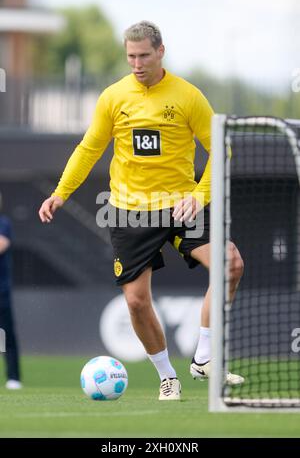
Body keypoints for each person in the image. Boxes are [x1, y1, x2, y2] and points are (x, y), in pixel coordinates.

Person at [39, 21, 244, 400]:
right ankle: (168, 376)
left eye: (144, 55)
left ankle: (204, 356)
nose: (136, 63)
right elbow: (88, 149)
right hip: (130, 212)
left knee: (230, 263)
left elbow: (222, 149)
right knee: (135, 300)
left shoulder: (188, 96)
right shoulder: (114, 97)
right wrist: (61, 193)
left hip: (183, 204)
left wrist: (199, 196)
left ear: (161, 51)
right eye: (131, 56)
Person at [0, 192, 22, 390]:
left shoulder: (3, 223)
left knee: (6, 335)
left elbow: (2, 244)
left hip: (1, 292)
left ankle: (13, 377)